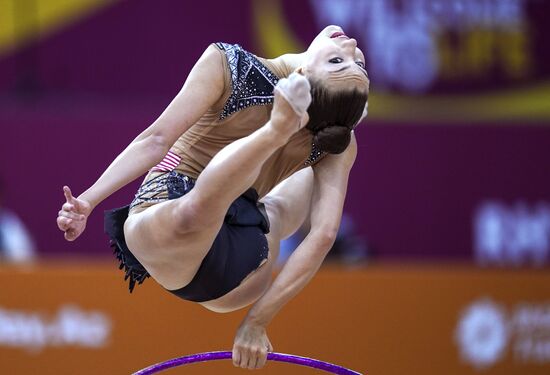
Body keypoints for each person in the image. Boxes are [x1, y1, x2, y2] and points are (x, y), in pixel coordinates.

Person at [57, 25, 369, 369]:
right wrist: (256, 320)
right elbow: (322, 235)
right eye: (357, 62)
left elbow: (156, 140)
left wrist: (258, 322)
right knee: (264, 208)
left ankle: (273, 134)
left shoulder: (227, 62)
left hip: (207, 241)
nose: (353, 44)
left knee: (198, 209)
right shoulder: (335, 140)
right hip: (225, 261)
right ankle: (271, 140)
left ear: (303, 74)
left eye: (342, 61)